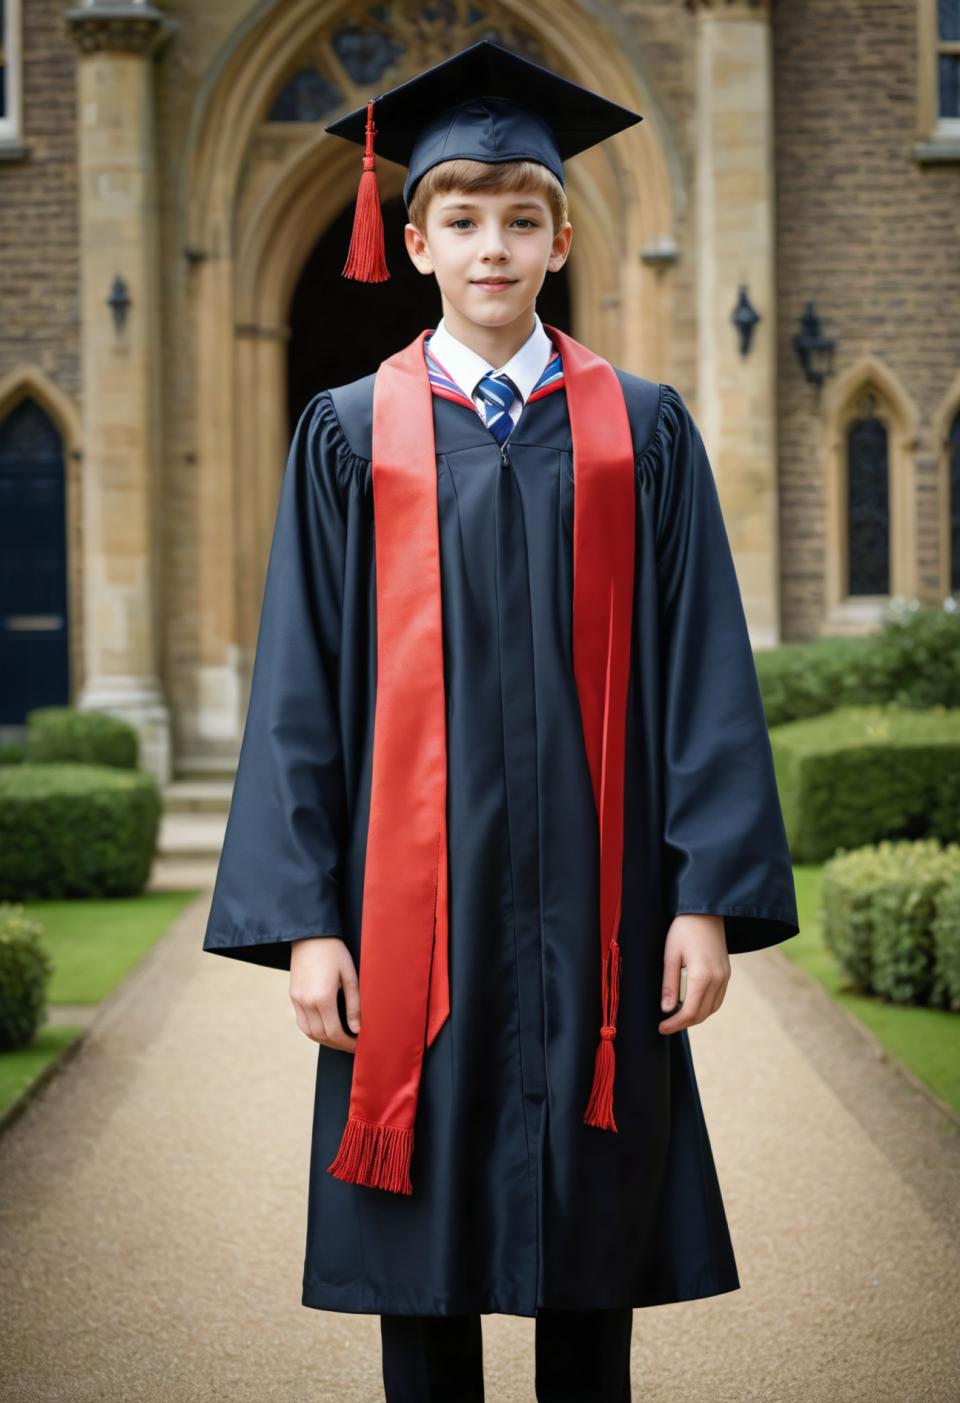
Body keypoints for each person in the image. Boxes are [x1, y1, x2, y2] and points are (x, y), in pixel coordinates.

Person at [201, 37, 800, 1403]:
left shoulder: (637, 433)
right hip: (418, 912)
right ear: (413, 240)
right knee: (425, 1246)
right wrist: (308, 922)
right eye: (461, 221)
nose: (491, 248)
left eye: (518, 220)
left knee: (592, 1243)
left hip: (600, 904)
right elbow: (299, 690)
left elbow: (704, 668)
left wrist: (703, 899)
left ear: (561, 235)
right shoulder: (350, 435)